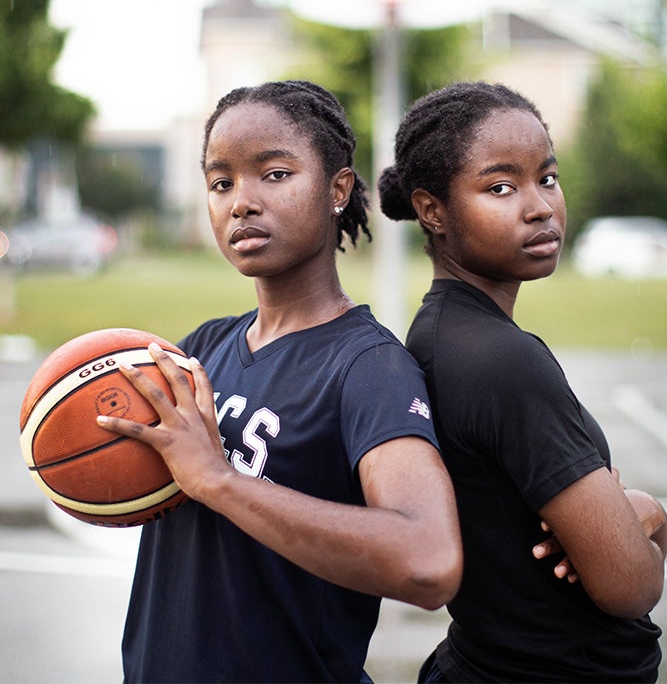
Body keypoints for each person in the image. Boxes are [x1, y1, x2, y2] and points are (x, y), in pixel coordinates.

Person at [96, 80, 462, 683]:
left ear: (337, 188)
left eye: (274, 173)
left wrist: (218, 479)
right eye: (222, 182)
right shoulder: (199, 350)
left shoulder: (368, 367)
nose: (241, 201)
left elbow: (429, 560)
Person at [378, 81, 667, 683]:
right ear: (432, 210)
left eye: (549, 178)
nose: (539, 206)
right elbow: (630, 586)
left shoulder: (438, 333)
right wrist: (648, 512)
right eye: (501, 187)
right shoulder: (504, 362)